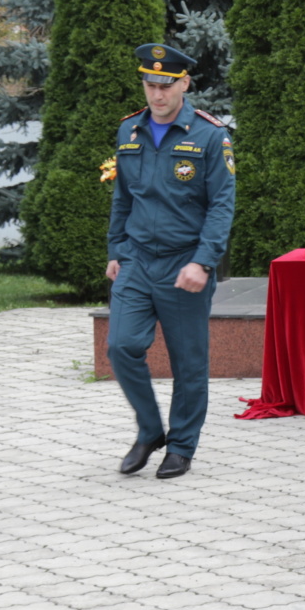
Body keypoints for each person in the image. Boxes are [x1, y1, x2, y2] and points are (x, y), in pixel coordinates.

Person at [107, 43, 236, 481]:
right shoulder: (129, 131)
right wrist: (116, 251)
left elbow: (222, 205)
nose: (157, 95)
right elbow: (123, 197)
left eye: (166, 85)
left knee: (189, 362)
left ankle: (181, 446)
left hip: (185, 263)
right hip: (138, 260)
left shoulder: (210, 135)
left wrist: (203, 261)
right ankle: (149, 430)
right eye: (149, 85)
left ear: (184, 83)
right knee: (120, 346)